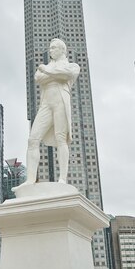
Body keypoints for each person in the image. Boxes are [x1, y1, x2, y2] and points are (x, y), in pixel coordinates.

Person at [23, 38, 80, 185]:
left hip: (60, 100)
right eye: (50, 48)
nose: (51, 50)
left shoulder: (72, 66)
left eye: (54, 48)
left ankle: (62, 178)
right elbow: (38, 78)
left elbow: (66, 74)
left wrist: (46, 70)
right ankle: (30, 180)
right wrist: (51, 73)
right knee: (33, 139)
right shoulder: (49, 66)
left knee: (61, 138)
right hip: (46, 103)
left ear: (62, 50)